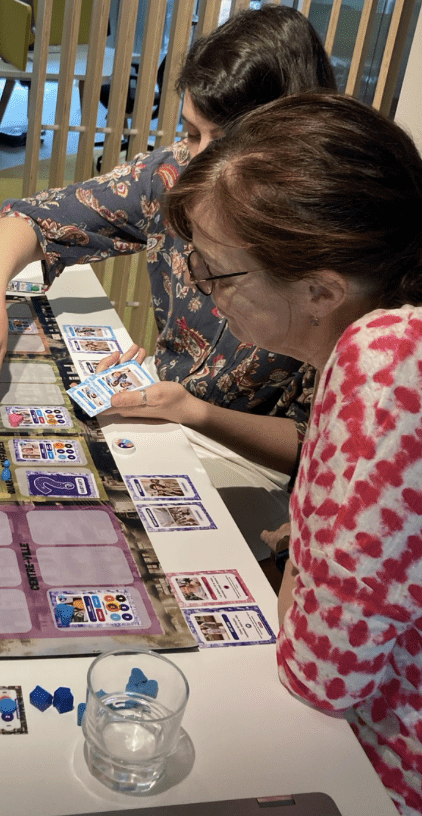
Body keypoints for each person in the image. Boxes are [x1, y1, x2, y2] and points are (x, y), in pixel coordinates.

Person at [0, 5, 336, 557]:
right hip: (162, 417)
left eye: (222, 142)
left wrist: (190, 408)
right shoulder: (174, 173)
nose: (198, 162)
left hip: (252, 468)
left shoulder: (333, 253)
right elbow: (29, 216)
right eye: (190, 133)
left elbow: (319, 446)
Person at [164, 90, 422, 815]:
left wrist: (304, 572)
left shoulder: (384, 362)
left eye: (218, 274)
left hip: (381, 769)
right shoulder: (385, 334)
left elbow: (321, 672)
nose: (203, 292)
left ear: (320, 290)